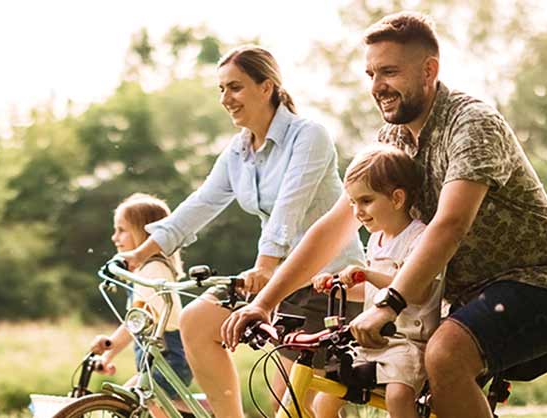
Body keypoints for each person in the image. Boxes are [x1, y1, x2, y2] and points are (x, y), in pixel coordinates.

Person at [223, 12, 547, 418]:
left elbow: (450, 225)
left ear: (429, 70)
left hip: (542, 284)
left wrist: (389, 304)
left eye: (389, 72)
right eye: (371, 74)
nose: (377, 86)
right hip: (460, 297)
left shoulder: (472, 124)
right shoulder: (392, 140)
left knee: (445, 355)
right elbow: (335, 225)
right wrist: (264, 302)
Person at [117, 45, 365, 418]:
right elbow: (201, 203)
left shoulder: (308, 136)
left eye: (235, 87)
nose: (225, 99)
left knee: (291, 404)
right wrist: (141, 252)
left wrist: (265, 266)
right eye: (221, 89)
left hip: (327, 284)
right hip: (276, 279)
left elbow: (288, 210)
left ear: (266, 87)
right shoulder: (239, 152)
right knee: (197, 320)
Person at [308, 144, 442, 418]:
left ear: (397, 199)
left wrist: (366, 273)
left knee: (398, 396)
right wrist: (337, 285)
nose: (357, 211)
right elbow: (371, 292)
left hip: (408, 342)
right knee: (324, 399)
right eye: (352, 203)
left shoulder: (419, 238)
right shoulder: (376, 240)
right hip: (371, 340)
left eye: (366, 201)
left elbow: (418, 291)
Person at [89, 193, 194, 415]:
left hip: (169, 359)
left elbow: (137, 321)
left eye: (122, 230)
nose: (114, 237)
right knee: (137, 405)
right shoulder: (145, 271)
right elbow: (135, 323)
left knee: (127, 404)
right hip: (159, 360)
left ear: (143, 232)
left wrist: (110, 345)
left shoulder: (153, 270)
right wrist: (107, 355)